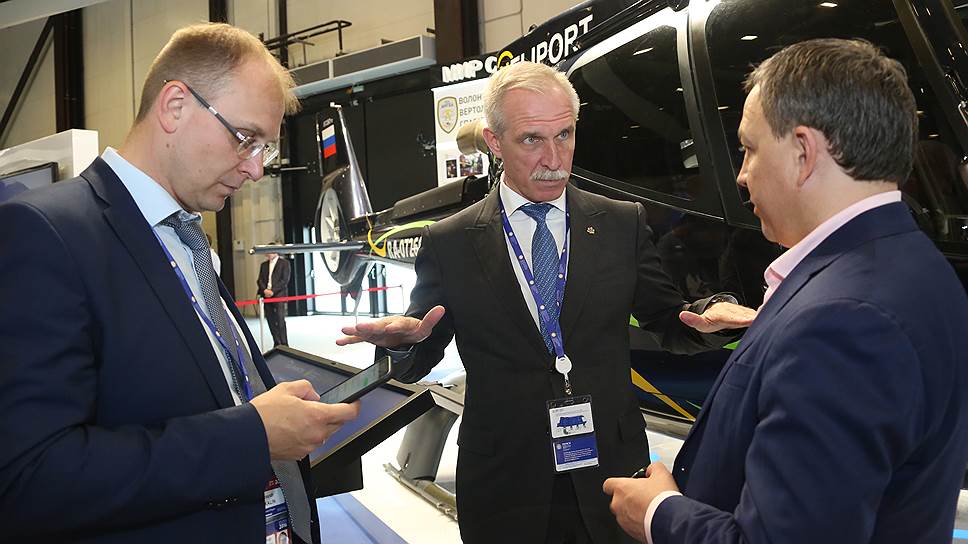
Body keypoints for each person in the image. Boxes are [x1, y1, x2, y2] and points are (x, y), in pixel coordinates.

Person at [338, 61, 756, 544]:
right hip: (504, 481)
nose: (554, 158)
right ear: (494, 142)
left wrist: (710, 316)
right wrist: (403, 345)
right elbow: (420, 353)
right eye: (532, 139)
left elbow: (668, 321)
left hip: (611, 472)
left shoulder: (621, 223)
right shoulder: (450, 242)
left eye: (565, 135)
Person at [0, 23, 360, 543]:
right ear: (174, 106)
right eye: (245, 139)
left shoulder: (189, 239)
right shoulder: (47, 234)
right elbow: (32, 478)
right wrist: (250, 436)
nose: (257, 170)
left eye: (264, 148)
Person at [603, 38, 968, 544]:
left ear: (803, 152)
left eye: (750, 149)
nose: (741, 174)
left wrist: (659, 514)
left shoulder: (842, 322)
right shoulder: (913, 265)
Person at [257, 244, 291, 347]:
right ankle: (276, 342)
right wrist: (265, 290)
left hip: (278, 295)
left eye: (269, 250)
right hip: (266, 296)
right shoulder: (263, 265)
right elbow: (260, 280)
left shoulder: (284, 263)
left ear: (275, 251)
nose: (267, 253)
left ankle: (284, 343)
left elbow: (284, 280)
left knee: (280, 320)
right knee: (270, 320)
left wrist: (272, 291)